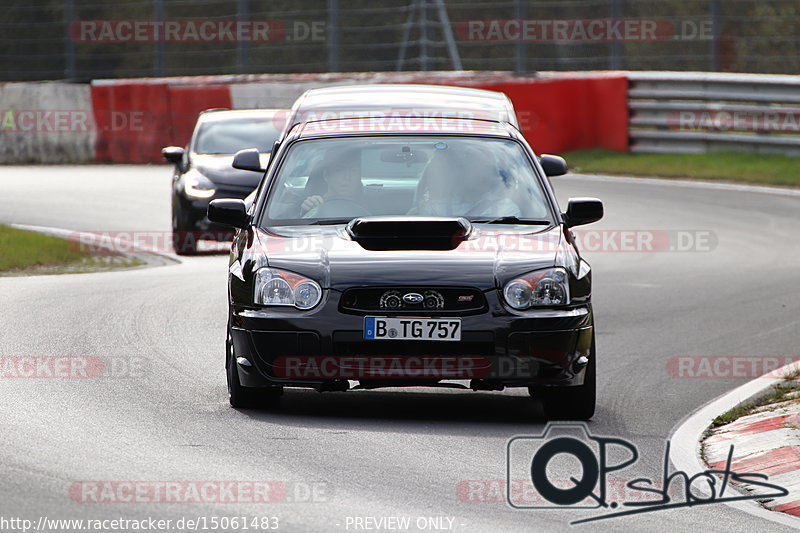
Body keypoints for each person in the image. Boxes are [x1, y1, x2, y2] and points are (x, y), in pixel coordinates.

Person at [411, 145, 520, 217]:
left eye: (482, 167)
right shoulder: (436, 208)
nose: (475, 172)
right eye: (469, 165)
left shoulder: (506, 210)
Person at [300, 151, 366, 218]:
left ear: (360, 176)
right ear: (326, 175)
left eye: (353, 170)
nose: (347, 177)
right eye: (339, 170)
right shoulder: (314, 204)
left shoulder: (373, 206)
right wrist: (306, 211)